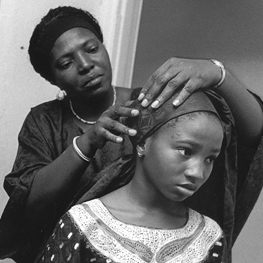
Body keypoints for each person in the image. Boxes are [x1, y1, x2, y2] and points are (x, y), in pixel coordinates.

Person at [0, 4, 263, 263]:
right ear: (52, 78)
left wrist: (218, 73)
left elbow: (250, 137)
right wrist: (86, 144)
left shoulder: (149, 105)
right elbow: (28, 204)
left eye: (92, 49)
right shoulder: (44, 121)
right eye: (66, 62)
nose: (85, 65)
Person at [35, 90, 228, 263]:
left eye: (210, 159)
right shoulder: (84, 225)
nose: (197, 172)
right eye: (185, 151)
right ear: (143, 143)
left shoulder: (209, 237)